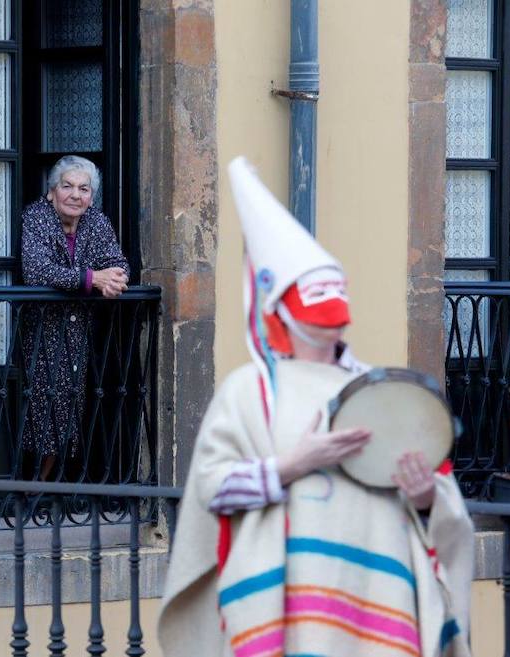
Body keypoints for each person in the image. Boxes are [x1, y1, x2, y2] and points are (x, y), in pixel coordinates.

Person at [158, 158, 474, 657]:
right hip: (283, 606)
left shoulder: (383, 390)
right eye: (315, 290)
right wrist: (293, 465)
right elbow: (211, 488)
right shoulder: (249, 390)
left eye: (335, 287)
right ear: (279, 306)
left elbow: (442, 500)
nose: (330, 302)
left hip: (377, 599)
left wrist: (425, 497)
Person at [20, 155, 130, 480]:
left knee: (70, 404)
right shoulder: (37, 217)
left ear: (91, 197)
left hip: (80, 329)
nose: (75, 195)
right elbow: (37, 270)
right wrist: (91, 279)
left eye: (83, 188)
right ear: (52, 191)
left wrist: (115, 279)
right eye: (67, 186)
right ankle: (31, 485)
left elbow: (118, 261)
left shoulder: (95, 221)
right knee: (43, 405)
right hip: (40, 329)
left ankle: (48, 486)